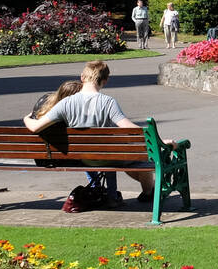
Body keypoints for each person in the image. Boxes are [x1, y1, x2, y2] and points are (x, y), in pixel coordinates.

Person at [23, 60, 172, 203]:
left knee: (130, 156)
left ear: (82, 77)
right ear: (105, 81)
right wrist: (159, 141)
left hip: (85, 158)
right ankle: (148, 193)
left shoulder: (65, 103)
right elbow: (129, 128)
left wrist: (26, 118)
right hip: (109, 156)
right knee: (140, 157)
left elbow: (35, 127)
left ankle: (147, 192)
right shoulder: (108, 102)